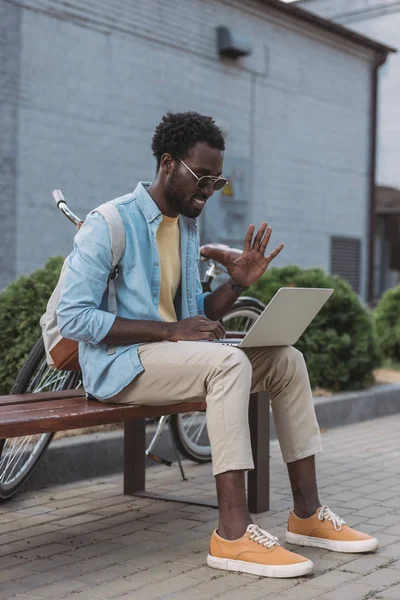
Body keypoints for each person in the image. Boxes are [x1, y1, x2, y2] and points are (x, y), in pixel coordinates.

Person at [57, 111, 378, 579]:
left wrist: (234, 284)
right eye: (201, 178)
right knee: (227, 365)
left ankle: (307, 515)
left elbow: (196, 317)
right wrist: (169, 332)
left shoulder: (186, 229)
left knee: (286, 359)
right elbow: (75, 316)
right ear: (168, 164)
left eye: (217, 180)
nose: (209, 191)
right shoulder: (110, 222)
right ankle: (232, 534)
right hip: (120, 366)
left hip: (170, 357)